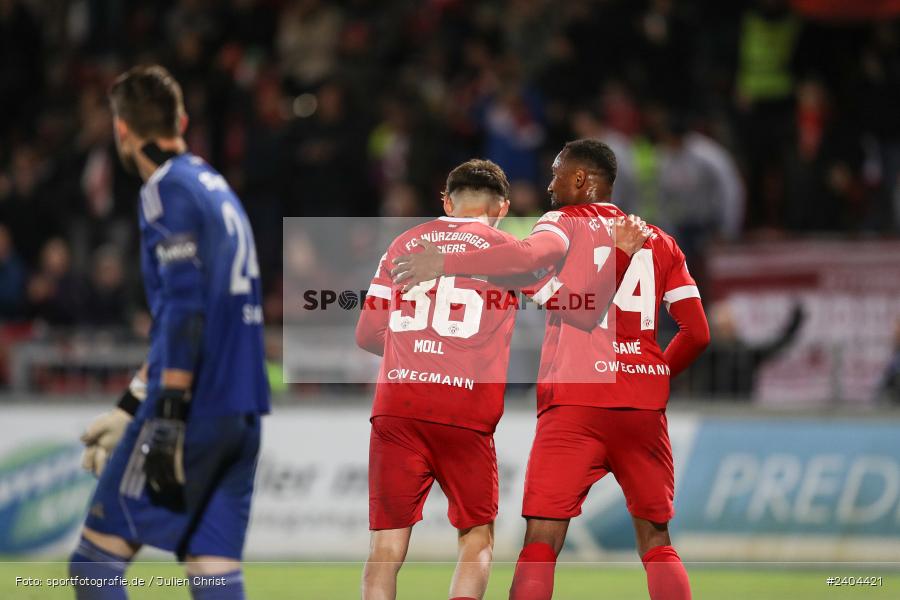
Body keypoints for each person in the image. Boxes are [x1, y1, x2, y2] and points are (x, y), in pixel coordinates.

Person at [392, 139, 710, 600]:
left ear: (580, 179)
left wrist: (444, 262)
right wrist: (655, 375)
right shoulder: (660, 241)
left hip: (574, 406)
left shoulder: (562, 223)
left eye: (557, 174)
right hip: (641, 410)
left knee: (541, 542)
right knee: (657, 541)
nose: (549, 185)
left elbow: (529, 259)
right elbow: (697, 333)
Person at [356, 158, 643, 600]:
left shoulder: (403, 245)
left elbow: (368, 333)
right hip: (465, 410)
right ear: (503, 207)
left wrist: (415, 356)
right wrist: (620, 255)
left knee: (385, 548)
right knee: (476, 540)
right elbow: (583, 310)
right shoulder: (508, 254)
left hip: (398, 405)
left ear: (447, 202)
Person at [72, 65, 269, 600]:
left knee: (93, 564)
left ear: (122, 130)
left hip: (195, 408)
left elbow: (184, 311)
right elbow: (201, 312)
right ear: (180, 121)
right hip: (243, 409)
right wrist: (130, 403)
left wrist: (166, 416)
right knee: (211, 570)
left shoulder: (164, 189)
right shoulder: (215, 186)